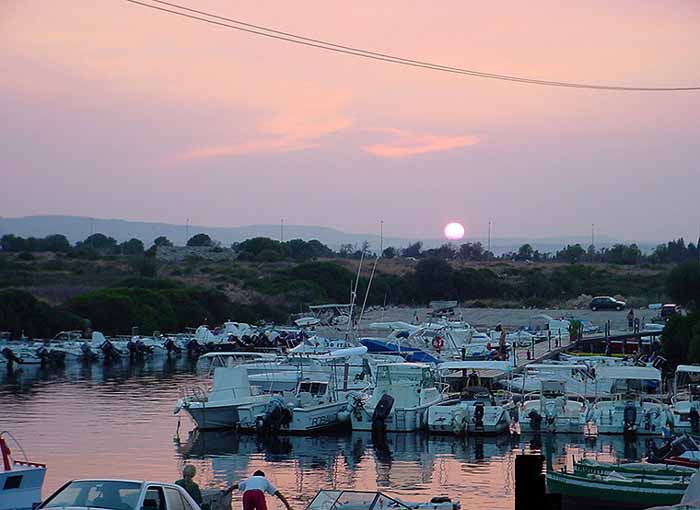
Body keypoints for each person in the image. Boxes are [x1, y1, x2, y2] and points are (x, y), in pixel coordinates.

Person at [224, 470, 292, 510]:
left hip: (247, 494)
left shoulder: (249, 479)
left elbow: (235, 486)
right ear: (263, 476)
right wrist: (288, 507)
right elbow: (279, 495)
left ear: (254, 476)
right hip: (258, 493)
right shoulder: (265, 480)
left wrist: (227, 491)